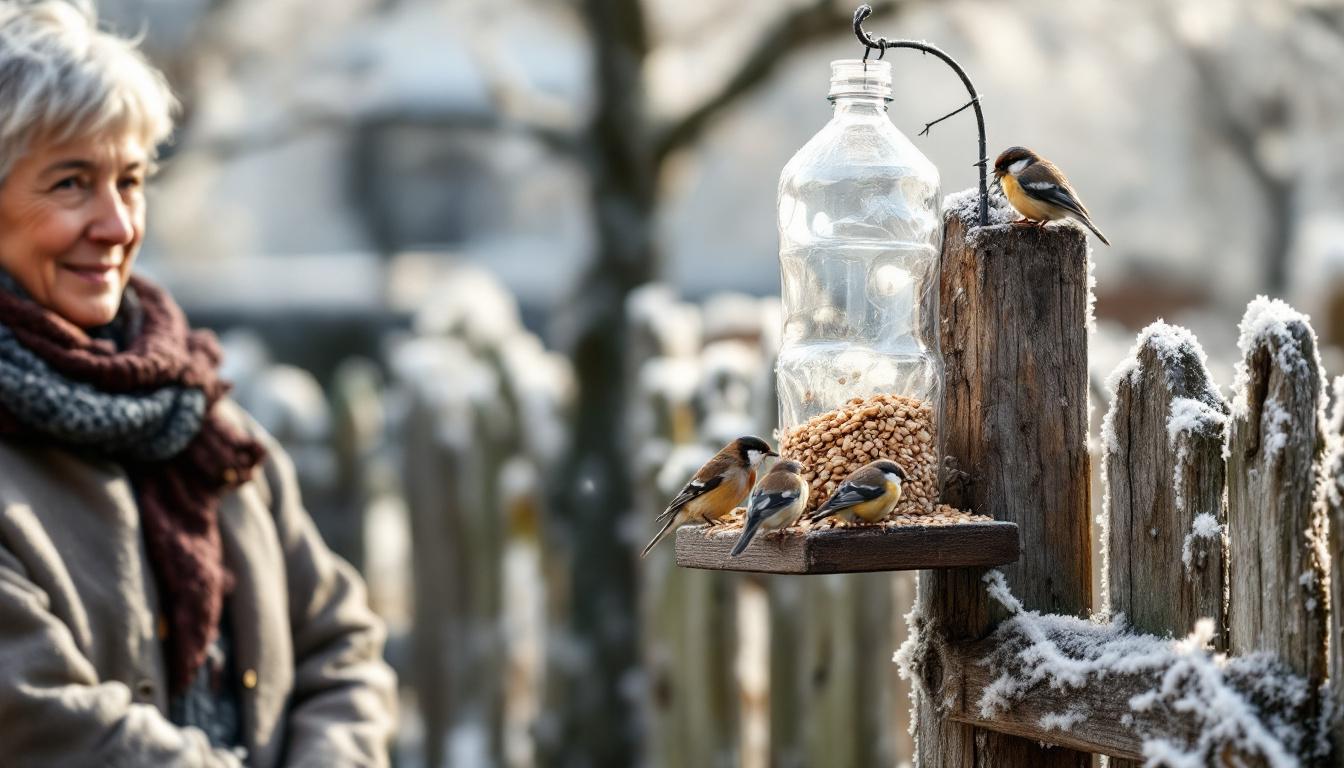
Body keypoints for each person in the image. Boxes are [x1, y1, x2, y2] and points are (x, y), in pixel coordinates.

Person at [0, 3, 397, 765]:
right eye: (72, 183)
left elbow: (339, 648)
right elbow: (42, 722)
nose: (117, 224)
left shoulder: (206, 429)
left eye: (132, 179)